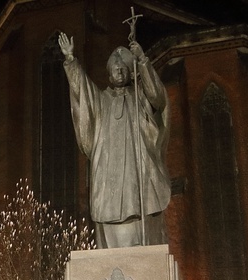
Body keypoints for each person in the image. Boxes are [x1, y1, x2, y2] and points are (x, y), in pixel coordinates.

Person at [58, 32, 170, 248]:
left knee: (138, 214)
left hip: (137, 174)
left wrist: (143, 61)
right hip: (107, 175)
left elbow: (157, 97)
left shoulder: (140, 97)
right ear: (108, 75)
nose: (119, 72)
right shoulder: (102, 101)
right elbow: (82, 89)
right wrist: (71, 60)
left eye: (124, 69)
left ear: (130, 73)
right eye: (115, 70)